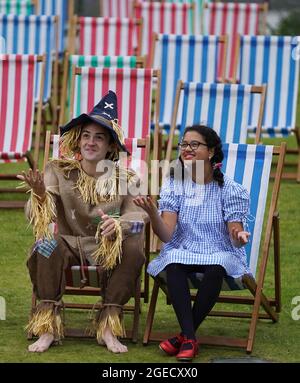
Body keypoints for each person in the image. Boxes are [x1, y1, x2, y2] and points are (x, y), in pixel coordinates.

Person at [18, 91, 147, 354]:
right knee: (45, 243)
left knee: (134, 247)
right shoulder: (58, 170)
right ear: (78, 140)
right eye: (86, 135)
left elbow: (138, 218)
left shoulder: (127, 178)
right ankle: (47, 327)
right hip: (69, 243)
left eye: (99, 137)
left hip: (107, 247)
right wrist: (41, 195)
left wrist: (119, 225)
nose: (91, 142)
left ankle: (108, 326)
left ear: (111, 145)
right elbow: (37, 216)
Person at [133, 125, 251, 362]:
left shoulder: (230, 189)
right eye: (184, 144)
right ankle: (189, 338)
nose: (187, 149)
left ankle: (184, 337)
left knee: (216, 267)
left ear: (211, 152)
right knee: (174, 264)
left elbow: (233, 231)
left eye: (194, 144)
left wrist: (238, 235)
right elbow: (166, 235)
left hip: (219, 249)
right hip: (185, 248)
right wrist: (153, 213)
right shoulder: (174, 184)